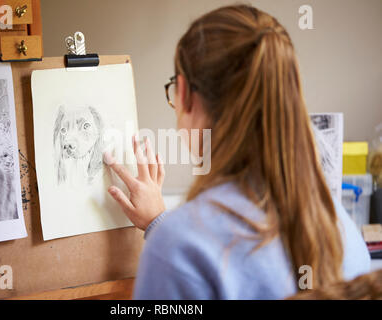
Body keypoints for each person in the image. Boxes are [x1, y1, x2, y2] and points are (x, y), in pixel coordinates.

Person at [103, 4, 371, 299]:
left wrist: (169, 236)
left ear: (184, 94)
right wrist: (161, 223)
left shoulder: (177, 249)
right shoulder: (343, 229)